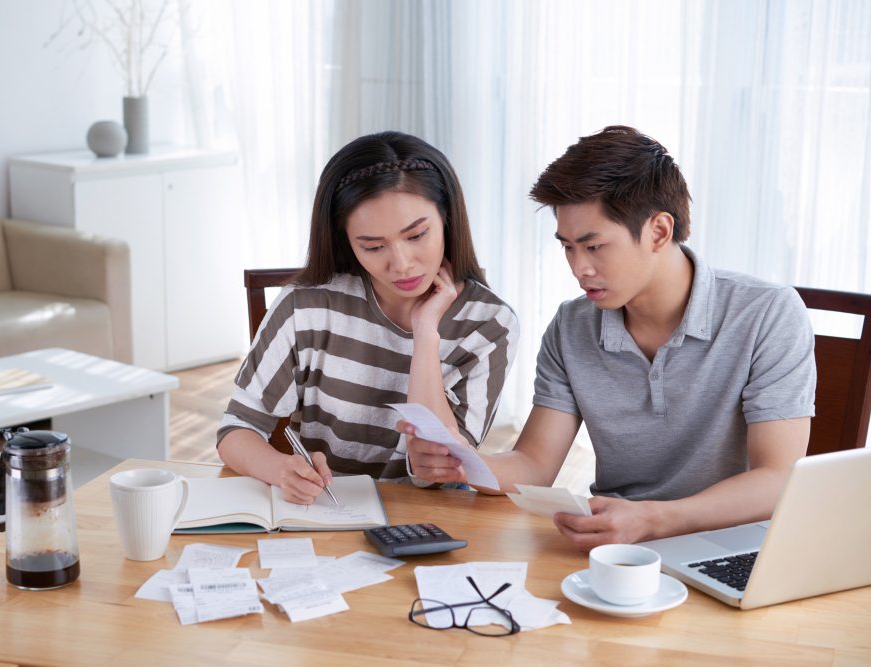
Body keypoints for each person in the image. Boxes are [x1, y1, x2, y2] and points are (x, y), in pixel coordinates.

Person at [402, 125, 816, 549]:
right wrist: (465, 464)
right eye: (567, 247)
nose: (579, 267)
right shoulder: (572, 327)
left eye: (594, 246)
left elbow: (777, 479)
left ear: (658, 231)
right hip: (617, 548)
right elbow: (534, 464)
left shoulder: (768, 313)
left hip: (732, 545)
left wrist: (654, 519)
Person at [218, 131, 519, 504]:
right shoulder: (307, 305)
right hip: (325, 508)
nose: (402, 263)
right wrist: (281, 469)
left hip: (426, 518)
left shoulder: (488, 322)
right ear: (346, 240)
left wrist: (426, 334)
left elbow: (438, 471)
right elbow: (236, 429)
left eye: (417, 235)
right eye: (373, 246)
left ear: (447, 218)